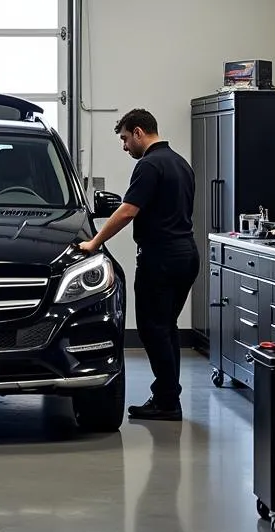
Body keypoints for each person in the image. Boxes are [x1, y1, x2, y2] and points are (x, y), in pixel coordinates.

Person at [79, 109, 198, 421]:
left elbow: (127, 211)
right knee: (166, 327)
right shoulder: (180, 163)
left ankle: (168, 401)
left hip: (160, 257)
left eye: (124, 138)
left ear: (139, 132)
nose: (124, 146)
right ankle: (167, 396)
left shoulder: (149, 165)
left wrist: (93, 243)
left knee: (152, 329)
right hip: (186, 253)